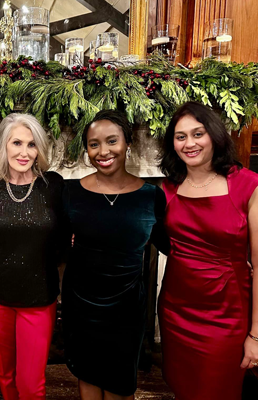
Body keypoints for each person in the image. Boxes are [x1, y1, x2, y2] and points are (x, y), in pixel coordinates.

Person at [157, 101, 258, 400]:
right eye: (180, 136)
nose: (189, 143)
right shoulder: (167, 188)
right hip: (175, 310)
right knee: (182, 387)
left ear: (215, 135)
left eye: (198, 134)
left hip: (226, 316)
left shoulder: (252, 187)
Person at [61, 110, 168, 400]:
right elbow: (54, 242)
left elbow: (174, 245)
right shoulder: (70, 193)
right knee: (88, 375)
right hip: (81, 306)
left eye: (112, 141)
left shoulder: (151, 196)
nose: (103, 151)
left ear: (128, 144)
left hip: (126, 309)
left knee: (120, 385)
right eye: (94, 144)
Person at [0, 113, 64, 400]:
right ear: (4, 145)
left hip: (38, 297)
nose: (24, 152)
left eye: (31, 144)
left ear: (39, 149)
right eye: (16, 143)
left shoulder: (53, 186)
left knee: (31, 383)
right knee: (5, 372)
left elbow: (67, 232)